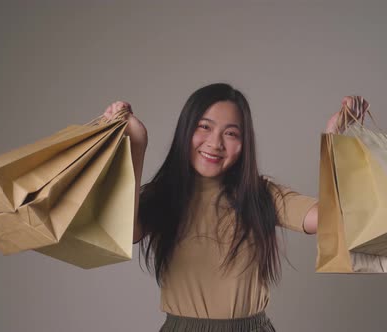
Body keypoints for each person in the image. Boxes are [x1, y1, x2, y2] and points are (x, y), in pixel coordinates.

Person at [102, 83, 366, 331]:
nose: (215, 143)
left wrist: (335, 138)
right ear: (185, 130)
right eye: (204, 127)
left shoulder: (260, 194)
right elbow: (126, 233)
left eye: (230, 133)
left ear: (244, 144)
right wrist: (136, 144)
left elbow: (331, 219)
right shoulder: (164, 196)